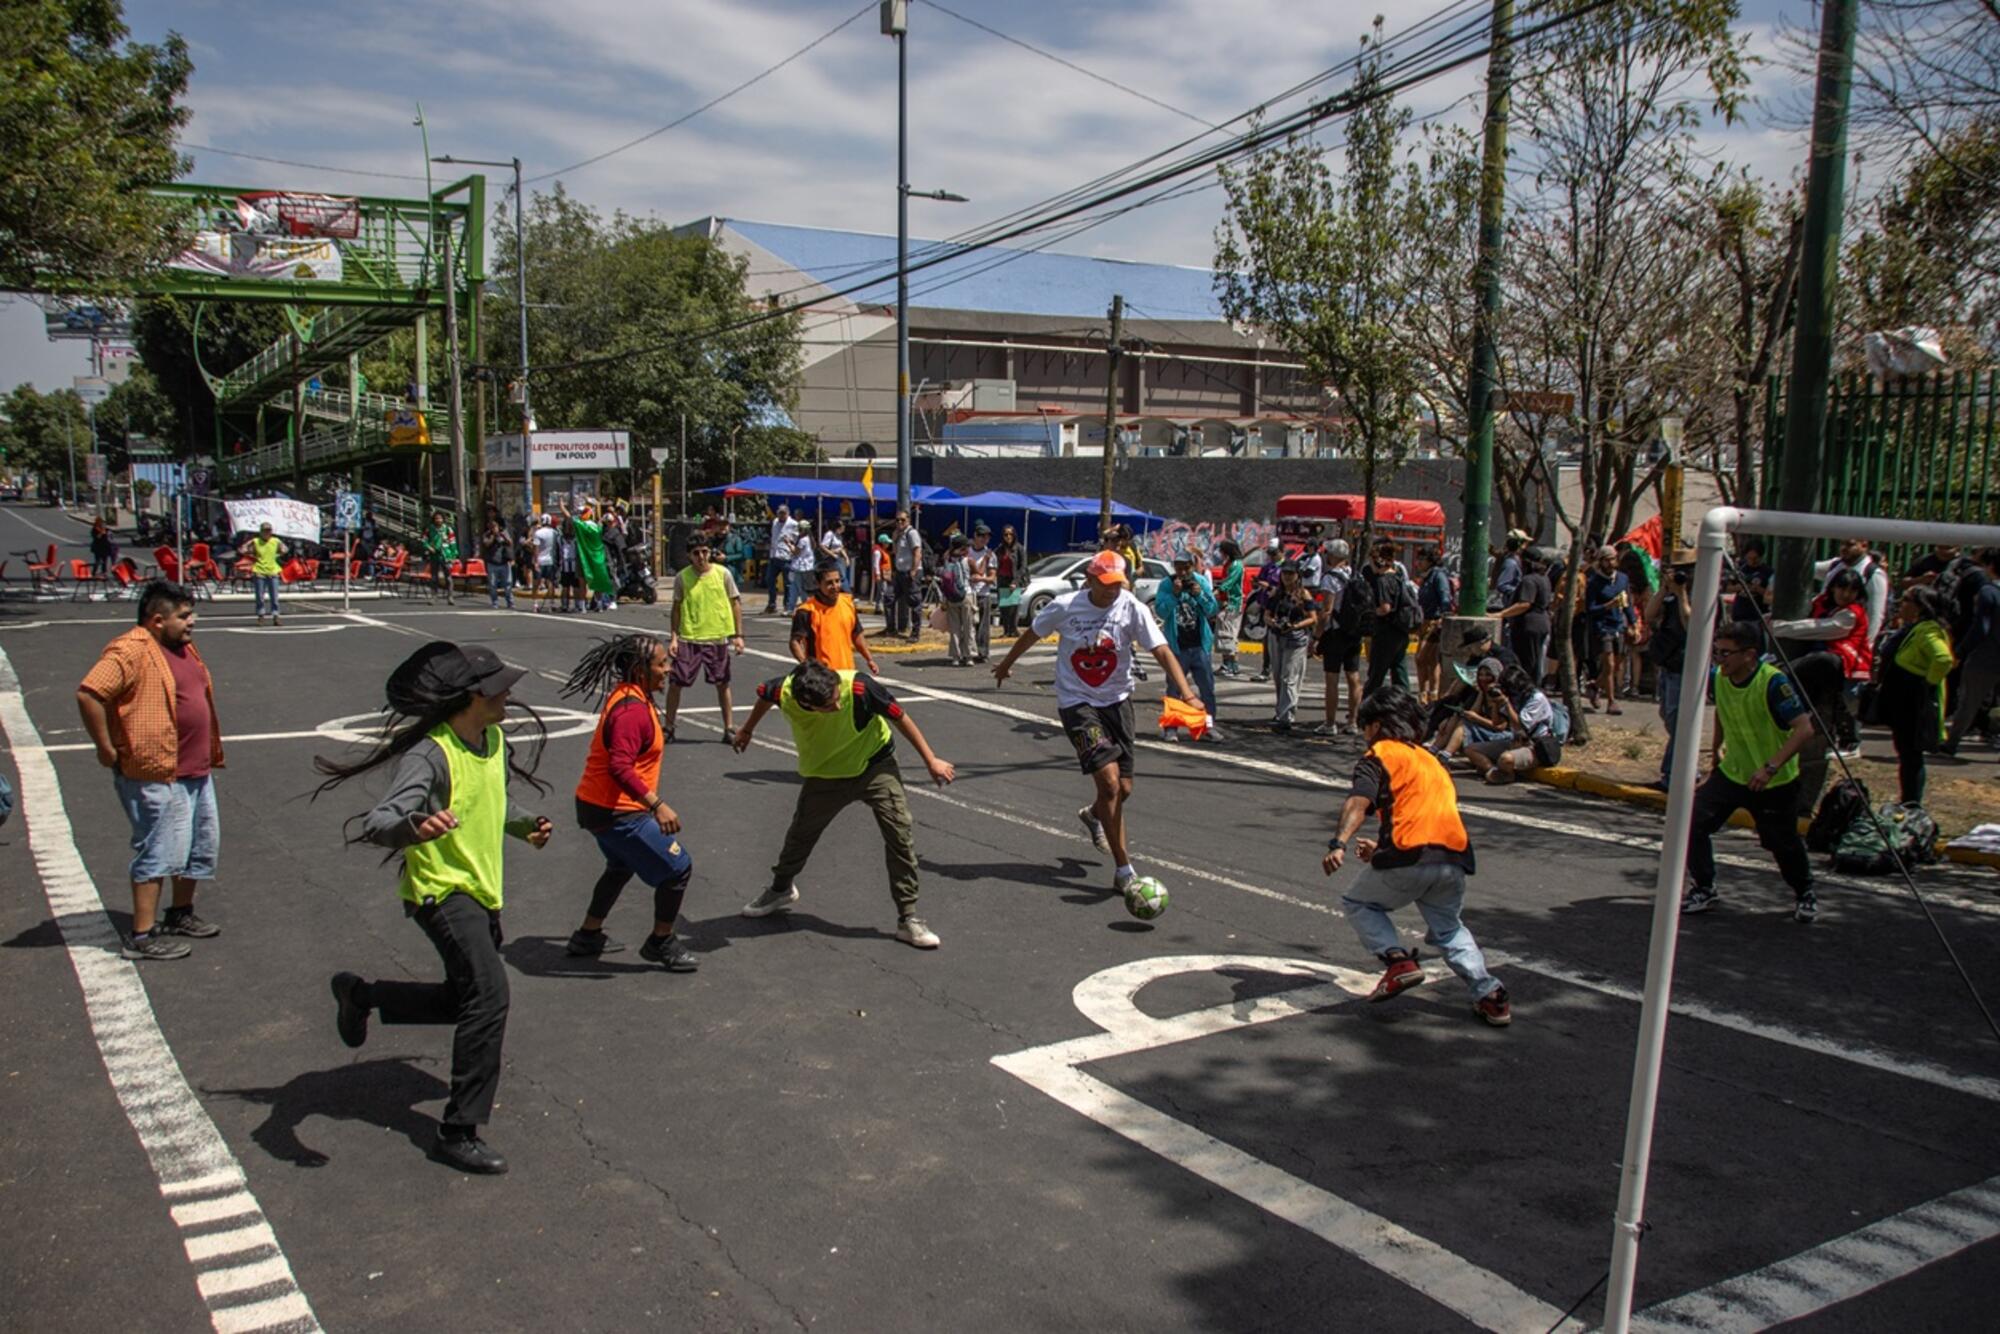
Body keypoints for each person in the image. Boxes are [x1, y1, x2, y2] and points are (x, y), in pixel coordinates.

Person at [318, 642, 553, 1175]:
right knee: (490, 997)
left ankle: (363, 995)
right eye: (500, 686)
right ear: (474, 695)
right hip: (442, 891)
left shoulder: (490, 740)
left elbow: (489, 801)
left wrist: (525, 825)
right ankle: (457, 1131)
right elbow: (380, 820)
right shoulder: (431, 752)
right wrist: (412, 826)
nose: (510, 694)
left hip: (480, 887)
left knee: (461, 1000)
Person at [990, 550, 1202, 894]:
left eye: (1118, 584)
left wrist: (1187, 692)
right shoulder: (1065, 605)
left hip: (1118, 702)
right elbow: (1033, 633)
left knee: (1124, 789)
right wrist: (1006, 663)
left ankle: (1093, 814)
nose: (1112, 591)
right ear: (1089, 580)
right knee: (1109, 784)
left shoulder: (1130, 605)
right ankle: (1124, 870)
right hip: (1077, 703)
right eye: (1106, 585)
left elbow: (1161, 649)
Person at [1320, 687, 1511, 1027]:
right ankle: (1490, 993)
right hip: (1452, 860)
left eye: (1365, 726)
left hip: (1410, 857)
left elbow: (1358, 801)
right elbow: (1420, 817)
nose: (1365, 735)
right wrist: (1381, 853)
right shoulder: (1433, 762)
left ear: (1376, 725)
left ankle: (1397, 962)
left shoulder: (1380, 755)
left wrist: (1339, 842)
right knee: (1450, 929)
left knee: (1359, 903)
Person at [733, 659, 952, 948]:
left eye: (836, 699)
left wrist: (931, 760)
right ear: (806, 703)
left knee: (900, 835)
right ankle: (780, 889)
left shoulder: (860, 687)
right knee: (801, 835)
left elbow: (900, 717)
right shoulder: (783, 691)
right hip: (826, 774)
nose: (836, 707)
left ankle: (908, 918)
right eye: (827, 706)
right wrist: (747, 729)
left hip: (875, 765)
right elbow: (764, 696)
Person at [75, 581, 227, 961]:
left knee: (197, 846)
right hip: (155, 771)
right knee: (157, 851)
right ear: (157, 620)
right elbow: (90, 693)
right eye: (184, 616)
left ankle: (180, 913)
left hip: (194, 768)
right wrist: (105, 746)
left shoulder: (183, 647)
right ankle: (141, 938)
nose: (192, 621)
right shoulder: (131, 649)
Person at [560, 635, 699, 970]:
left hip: (597, 805)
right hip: (617, 811)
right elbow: (620, 766)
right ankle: (661, 941)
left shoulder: (631, 695)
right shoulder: (631, 711)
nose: (668, 668)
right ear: (639, 669)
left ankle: (588, 934)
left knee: (620, 866)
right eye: (661, 663)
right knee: (678, 869)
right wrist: (657, 805)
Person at [1681, 620, 1819, 922]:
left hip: (1773, 782)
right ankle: (1704, 887)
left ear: (1749, 654)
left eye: (1727, 653)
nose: (1720, 659)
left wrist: (1770, 767)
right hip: (1733, 772)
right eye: (1717, 652)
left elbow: (1804, 728)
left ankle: (1804, 890)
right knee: (1692, 822)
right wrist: (1716, 750)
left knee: (1781, 843)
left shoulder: (1773, 683)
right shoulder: (1719, 678)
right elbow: (1723, 711)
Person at [1771, 567, 1872, 755]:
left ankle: (1849, 742)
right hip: (1816, 662)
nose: (1846, 594)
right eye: (1842, 588)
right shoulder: (1820, 602)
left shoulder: (1852, 613)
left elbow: (1820, 628)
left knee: (1824, 666)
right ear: (1833, 588)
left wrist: (1780, 627)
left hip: (1843, 664)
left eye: (1852, 590)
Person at [664, 533, 745, 744]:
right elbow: (676, 609)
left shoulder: (723, 574)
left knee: (722, 683)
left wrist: (738, 635)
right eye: (696, 553)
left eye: (705, 552)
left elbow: (736, 603)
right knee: (676, 682)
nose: (701, 557)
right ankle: (669, 726)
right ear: (690, 556)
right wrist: (673, 638)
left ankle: (728, 728)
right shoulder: (682, 578)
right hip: (689, 638)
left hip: (717, 638)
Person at [1877, 586, 1954, 805]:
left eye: (1906, 600)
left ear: (1920, 606)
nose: (1901, 603)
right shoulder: (1914, 628)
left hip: (1912, 702)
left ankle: (1911, 802)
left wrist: (1927, 684)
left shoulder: (1927, 630)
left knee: (1911, 756)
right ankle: (1908, 798)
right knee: (1905, 752)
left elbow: (1943, 659)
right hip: (1901, 701)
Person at [1154, 553, 1223, 742]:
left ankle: (1209, 726)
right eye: (1179, 568)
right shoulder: (1166, 585)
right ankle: (1171, 729)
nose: (1183, 572)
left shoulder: (1200, 581)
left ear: (1192, 566)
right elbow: (1160, 611)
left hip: (1200, 645)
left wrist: (1199, 594)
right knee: (1174, 688)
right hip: (1177, 646)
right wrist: (1175, 596)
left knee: (1207, 688)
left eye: (1186, 568)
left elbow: (1212, 610)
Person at [1461, 665, 1561, 785]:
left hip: (1535, 746)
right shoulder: (1511, 697)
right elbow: (1496, 722)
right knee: (1471, 749)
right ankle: (1494, 771)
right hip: (1515, 742)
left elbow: (1520, 725)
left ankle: (1506, 774)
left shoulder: (1535, 698)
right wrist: (1495, 703)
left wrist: (1507, 703)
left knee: (1505, 759)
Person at [1944, 547, 2000, 754]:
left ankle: (1951, 744)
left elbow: (1981, 628)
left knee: (1968, 703)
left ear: (1990, 566)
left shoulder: (1988, 591)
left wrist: (1960, 651)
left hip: (1986, 658)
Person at [1644, 566, 1693, 789]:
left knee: (1678, 722)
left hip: (1685, 667)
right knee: (1668, 715)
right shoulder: (1669, 596)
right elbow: (1649, 614)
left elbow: (1690, 624)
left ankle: (1674, 774)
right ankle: (1682, 769)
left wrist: (1682, 592)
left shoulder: (1699, 594)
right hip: (1667, 664)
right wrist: (1665, 589)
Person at [792, 558, 879, 675]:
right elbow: (795, 641)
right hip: (821, 677)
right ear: (818, 584)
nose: (835, 586)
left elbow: (856, 634)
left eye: (837, 581)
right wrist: (805, 665)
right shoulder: (806, 611)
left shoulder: (847, 602)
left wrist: (869, 659)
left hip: (847, 674)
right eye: (829, 583)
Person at [1313, 539, 1363, 736]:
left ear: (1332, 556)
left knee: (1332, 678)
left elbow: (1326, 611)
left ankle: (1330, 723)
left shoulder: (1330, 579)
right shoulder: (1354, 574)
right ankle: (1353, 721)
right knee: (1354, 677)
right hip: (1354, 632)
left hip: (1336, 633)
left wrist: (1317, 636)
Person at [1263, 561, 1318, 733]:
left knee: (1290, 677)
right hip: (1277, 637)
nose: (1287, 577)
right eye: (1284, 573)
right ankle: (1281, 710)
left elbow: (1313, 618)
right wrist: (1273, 622)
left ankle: (1287, 716)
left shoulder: (1304, 594)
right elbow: (1266, 615)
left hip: (1296, 640)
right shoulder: (1276, 594)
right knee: (1279, 676)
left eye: (1290, 573)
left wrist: (1295, 626)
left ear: (1297, 576)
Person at [1362, 538, 1418, 695]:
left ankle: (1367, 707)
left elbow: (1385, 608)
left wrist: (1370, 613)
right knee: (1399, 671)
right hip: (1401, 630)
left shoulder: (1383, 580)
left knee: (1376, 674)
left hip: (1386, 632)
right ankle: (1406, 704)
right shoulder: (1398, 577)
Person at [1495, 546, 1553, 683]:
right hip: (1541, 623)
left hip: (1529, 625)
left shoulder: (1529, 580)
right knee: (1535, 662)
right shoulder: (1544, 578)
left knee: (1527, 663)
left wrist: (1501, 614)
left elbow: (1524, 604)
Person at [1582, 545, 1630, 713]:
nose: (1611, 563)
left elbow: (1627, 602)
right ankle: (1611, 701)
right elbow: (1590, 608)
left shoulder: (1622, 579)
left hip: (1618, 624)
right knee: (1608, 664)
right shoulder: (1594, 582)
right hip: (1603, 627)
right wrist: (1608, 606)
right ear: (1601, 562)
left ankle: (1595, 686)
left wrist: (1633, 623)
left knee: (1616, 665)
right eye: (1607, 560)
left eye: (1613, 559)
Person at [1819, 536, 1892, 646]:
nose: (1843, 548)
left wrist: (1865, 646)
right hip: (1825, 631)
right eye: (1842, 544)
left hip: (1849, 641)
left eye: (1850, 544)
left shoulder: (1873, 574)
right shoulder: (1836, 565)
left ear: (1864, 546)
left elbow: (1875, 616)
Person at [1413, 545, 1453, 702]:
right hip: (1425, 621)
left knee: (1423, 657)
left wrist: (1443, 617)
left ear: (1430, 560)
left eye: (1422, 559)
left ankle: (1431, 693)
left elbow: (1445, 597)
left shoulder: (1438, 576)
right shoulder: (1428, 576)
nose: (1418, 563)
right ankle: (1427, 694)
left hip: (1435, 622)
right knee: (1429, 660)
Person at [239, 521, 288, 626]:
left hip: (273, 571)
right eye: (265, 531)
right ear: (260, 532)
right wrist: (252, 553)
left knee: (274, 596)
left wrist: (277, 555)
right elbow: (242, 549)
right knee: (260, 596)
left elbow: (285, 550)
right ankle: (261, 616)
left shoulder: (275, 541)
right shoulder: (256, 541)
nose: (267, 533)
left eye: (268, 531)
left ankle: (276, 616)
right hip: (259, 571)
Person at [570, 505, 618, 612]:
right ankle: (599, 605)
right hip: (597, 557)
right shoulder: (597, 527)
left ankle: (583, 607)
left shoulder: (581, 525)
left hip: (584, 558)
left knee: (583, 584)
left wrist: (562, 506)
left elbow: (570, 517)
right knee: (598, 582)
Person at [938, 533, 977, 665]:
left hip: (951, 598)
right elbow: (978, 572)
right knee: (968, 627)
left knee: (954, 628)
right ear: (964, 548)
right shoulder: (969, 561)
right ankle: (969, 656)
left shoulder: (947, 560)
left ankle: (956, 656)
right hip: (966, 595)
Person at [1212, 539, 1246, 679]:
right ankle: (1227, 664)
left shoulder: (1237, 565)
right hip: (1224, 601)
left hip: (1232, 603)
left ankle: (1232, 666)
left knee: (1229, 634)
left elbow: (1230, 582)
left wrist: (1218, 590)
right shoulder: (1228, 563)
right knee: (1223, 633)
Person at [966, 522, 999, 664]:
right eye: (980, 536)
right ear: (975, 536)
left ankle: (983, 651)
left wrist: (981, 578)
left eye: (986, 537)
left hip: (983, 593)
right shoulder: (967, 552)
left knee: (983, 626)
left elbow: (992, 577)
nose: (983, 539)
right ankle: (968, 651)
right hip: (968, 593)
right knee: (968, 625)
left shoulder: (990, 555)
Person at [890, 509, 924, 638]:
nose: (899, 522)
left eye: (902, 520)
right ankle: (891, 628)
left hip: (910, 572)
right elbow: (895, 552)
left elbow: (917, 552)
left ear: (908, 520)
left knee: (914, 602)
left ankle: (915, 633)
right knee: (889, 597)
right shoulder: (898, 534)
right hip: (899, 572)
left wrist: (914, 571)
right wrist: (894, 539)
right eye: (897, 520)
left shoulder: (912, 533)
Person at [763, 504, 796, 615]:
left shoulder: (793, 524)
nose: (781, 515)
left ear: (788, 513)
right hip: (774, 556)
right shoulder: (775, 522)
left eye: (783, 513)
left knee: (788, 583)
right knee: (769, 579)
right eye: (779, 513)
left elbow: (797, 539)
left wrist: (790, 542)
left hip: (786, 557)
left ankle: (787, 605)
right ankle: (772, 604)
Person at [423, 511, 459, 605]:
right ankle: (434, 597)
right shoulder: (430, 529)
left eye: (440, 518)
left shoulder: (448, 529)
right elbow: (424, 540)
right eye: (436, 518)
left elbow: (453, 542)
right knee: (434, 577)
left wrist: (453, 555)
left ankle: (450, 597)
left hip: (446, 555)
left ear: (443, 519)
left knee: (448, 577)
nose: (438, 520)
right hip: (434, 555)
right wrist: (429, 547)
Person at [481, 518, 516, 610]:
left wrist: (503, 536)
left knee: (508, 583)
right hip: (492, 563)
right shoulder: (487, 535)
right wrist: (493, 536)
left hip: (504, 562)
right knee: (492, 585)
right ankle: (495, 602)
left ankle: (510, 602)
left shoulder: (504, 533)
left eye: (495, 526)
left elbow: (510, 543)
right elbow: (486, 544)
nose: (493, 528)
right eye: (491, 526)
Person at [529, 513, 558, 611]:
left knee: (536, 583)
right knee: (550, 582)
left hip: (540, 561)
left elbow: (536, 548)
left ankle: (535, 604)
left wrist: (535, 561)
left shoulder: (538, 533)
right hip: (550, 560)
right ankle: (551, 604)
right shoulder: (554, 532)